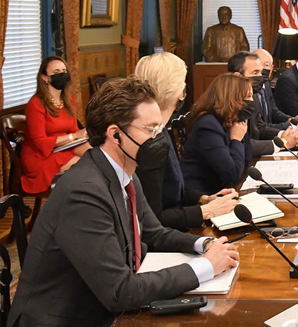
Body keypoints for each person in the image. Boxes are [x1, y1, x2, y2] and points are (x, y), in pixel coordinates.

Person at [8, 78, 239, 327]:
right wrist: (204, 267)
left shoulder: (125, 173)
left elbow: (155, 234)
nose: (158, 138)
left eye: (159, 129)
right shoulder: (84, 193)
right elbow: (119, 291)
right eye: (150, 130)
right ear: (115, 134)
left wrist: (205, 244)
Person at [134, 53, 239, 231]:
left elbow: (172, 192)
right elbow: (153, 219)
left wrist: (204, 199)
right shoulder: (148, 141)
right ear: (176, 90)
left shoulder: (161, 130)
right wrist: (204, 211)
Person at [21, 56, 89, 194]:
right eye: (57, 72)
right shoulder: (35, 104)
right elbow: (40, 143)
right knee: (85, 166)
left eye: (64, 71)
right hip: (41, 156)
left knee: (97, 154)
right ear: (45, 77)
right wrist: (73, 137)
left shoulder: (69, 99)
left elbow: (74, 130)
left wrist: (83, 136)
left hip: (64, 147)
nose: (62, 74)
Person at [180, 73, 253, 194]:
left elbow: (246, 159)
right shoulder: (207, 125)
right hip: (200, 196)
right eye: (248, 97)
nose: (252, 102)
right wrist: (236, 140)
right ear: (232, 98)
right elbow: (232, 173)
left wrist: (241, 126)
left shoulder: (229, 121)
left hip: (221, 190)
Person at [228, 51, 298, 156]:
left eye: (261, 72)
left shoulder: (252, 97)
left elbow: (259, 127)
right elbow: (241, 144)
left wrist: (282, 135)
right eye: (255, 73)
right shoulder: (227, 104)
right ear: (237, 76)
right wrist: (281, 144)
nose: (261, 77)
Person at [252, 48, 298, 130]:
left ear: (271, 68)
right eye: (259, 65)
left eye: (266, 65)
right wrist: (295, 126)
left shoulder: (266, 84)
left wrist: (292, 120)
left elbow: (273, 111)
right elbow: (260, 128)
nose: (262, 69)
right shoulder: (249, 90)